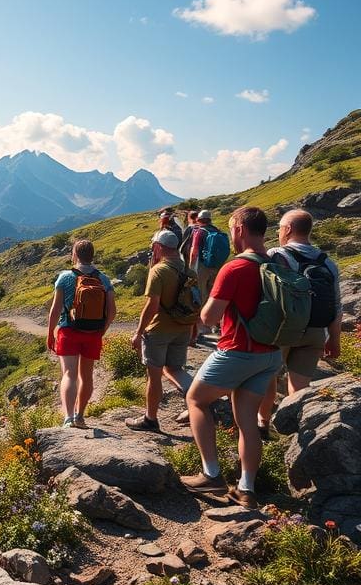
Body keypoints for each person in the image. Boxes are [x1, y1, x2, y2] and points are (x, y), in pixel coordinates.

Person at [181, 207, 283, 509]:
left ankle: (211, 474)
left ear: (239, 229)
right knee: (247, 421)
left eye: (231, 229)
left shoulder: (235, 268)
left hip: (238, 350)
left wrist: (205, 309)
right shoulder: (276, 264)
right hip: (271, 354)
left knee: (196, 400)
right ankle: (246, 488)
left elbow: (209, 318)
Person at [257, 209, 343, 439]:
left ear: (288, 230)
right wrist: (333, 338)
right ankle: (299, 435)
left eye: (280, 228)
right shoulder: (328, 263)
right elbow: (336, 304)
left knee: (268, 378)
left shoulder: (278, 254)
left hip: (285, 330)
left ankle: (263, 425)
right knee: (299, 388)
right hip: (316, 332)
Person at [126, 230, 195, 432]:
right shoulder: (189, 272)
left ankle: (150, 419)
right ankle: (197, 400)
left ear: (158, 247)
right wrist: (194, 328)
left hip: (159, 330)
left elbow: (152, 305)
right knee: (175, 369)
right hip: (183, 328)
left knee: (154, 375)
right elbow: (196, 302)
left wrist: (139, 332)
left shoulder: (159, 271)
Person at [47, 239, 117, 429]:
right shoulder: (104, 279)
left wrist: (50, 333)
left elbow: (55, 310)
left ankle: (68, 418)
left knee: (69, 374)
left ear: (75, 255)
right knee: (87, 376)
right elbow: (112, 312)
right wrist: (102, 330)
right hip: (93, 333)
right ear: (92, 255)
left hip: (69, 330)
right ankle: (80, 416)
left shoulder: (65, 277)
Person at [188, 210, 224, 335]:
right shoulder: (216, 230)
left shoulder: (199, 231)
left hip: (203, 267)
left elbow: (194, 251)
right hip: (217, 267)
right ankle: (217, 324)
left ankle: (203, 326)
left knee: (202, 294)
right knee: (214, 295)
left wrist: (191, 268)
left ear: (199, 219)